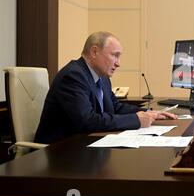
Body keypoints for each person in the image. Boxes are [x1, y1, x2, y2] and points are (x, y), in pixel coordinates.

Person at [35, 32, 177, 144]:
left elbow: (115, 107)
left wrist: (149, 113)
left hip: (85, 145)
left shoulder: (102, 78)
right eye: (115, 55)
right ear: (95, 51)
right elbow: (87, 121)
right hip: (59, 152)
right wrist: (136, 120)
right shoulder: (73, 76)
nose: (118, 63)